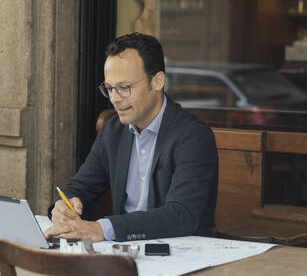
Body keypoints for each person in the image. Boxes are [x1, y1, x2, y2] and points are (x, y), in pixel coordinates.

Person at [44, 33, 218, 242]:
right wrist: (62, 206)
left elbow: (182, 215)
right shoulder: (112, 131)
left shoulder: (193, 137)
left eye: (125, 88)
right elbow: (80, 186)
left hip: (179, 257)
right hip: (123, 253)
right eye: (109, 88)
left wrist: (103, 229)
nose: (115, 99)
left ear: (157, 81)